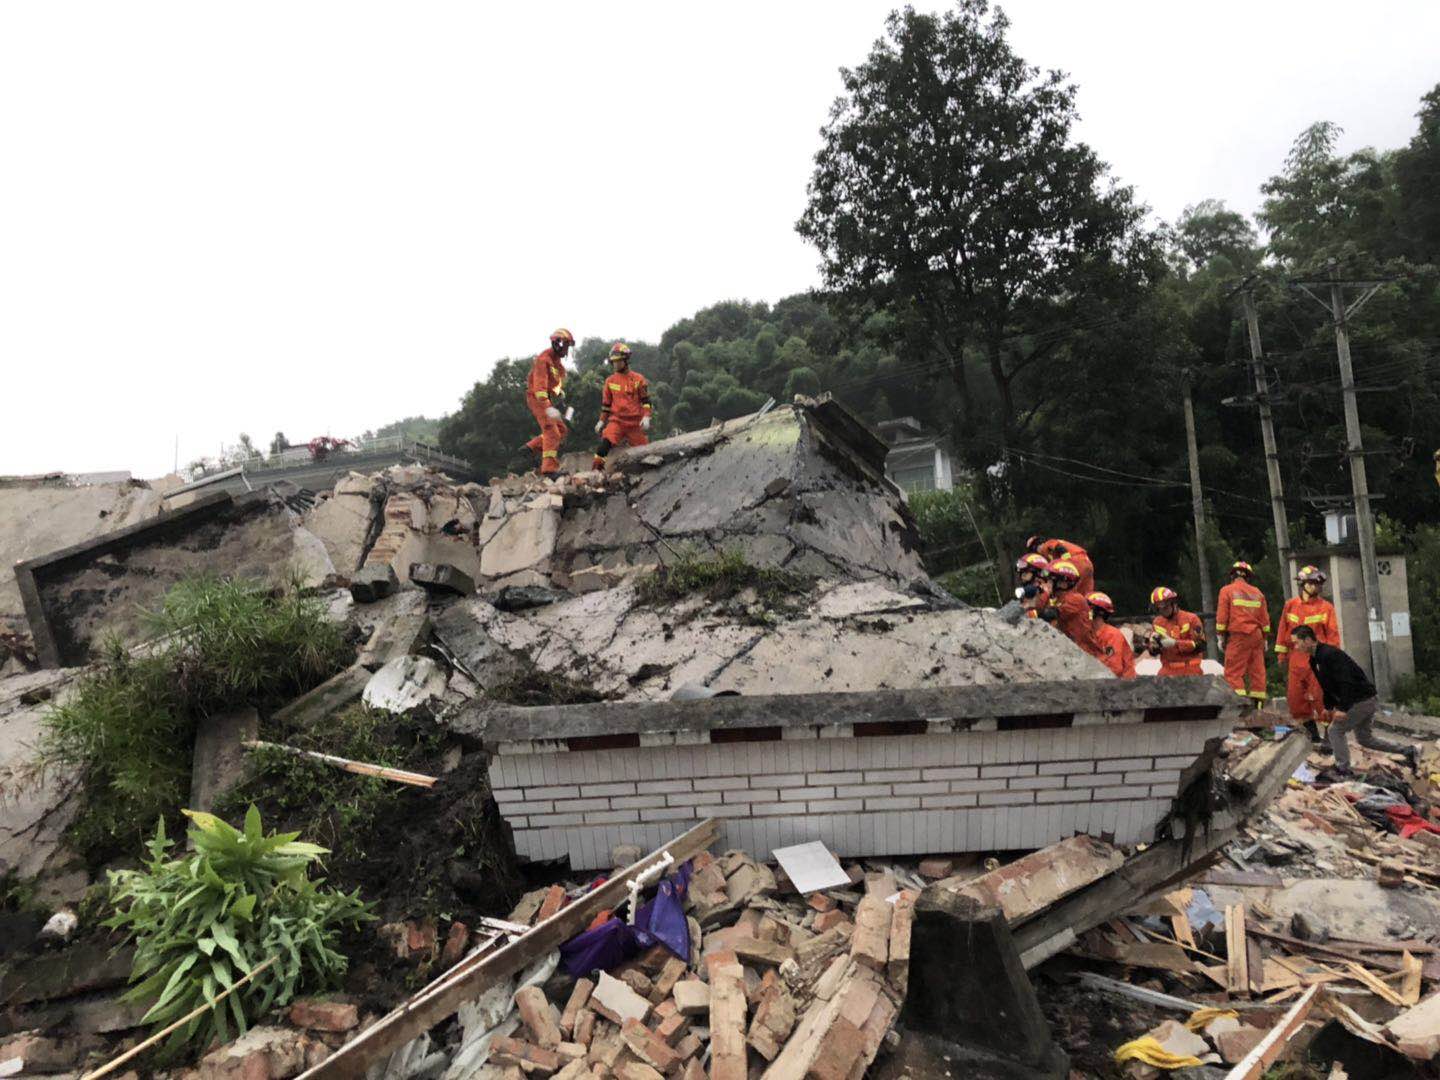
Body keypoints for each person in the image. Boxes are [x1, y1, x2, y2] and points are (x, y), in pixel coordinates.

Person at [1289, 626, 1416, 774]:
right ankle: (1408, 751)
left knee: (1335, 731)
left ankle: (1343, 769)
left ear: (1309, 640)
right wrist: (1328, 707)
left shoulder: (1330, 655)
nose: (1296, 647)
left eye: (1297, 643)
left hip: (1362, 699)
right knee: (1365, 739)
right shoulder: (1314, 659)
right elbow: (1327, 686)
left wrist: (1342, 708)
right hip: (1360, 699)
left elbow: (1346, 682)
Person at [1274, 565, 1340, 742]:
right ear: (1303, 584)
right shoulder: (1290, 606)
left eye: (1318, 583)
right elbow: (1282, 631)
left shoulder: (1326, 608)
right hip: (1295, 660)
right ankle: (1312, 735)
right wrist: (1281, 655)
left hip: (1317, 660)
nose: (1317, 587)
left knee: (1321, 699)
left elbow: (1333, 635)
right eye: (1312, 583)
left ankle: (1329, 737)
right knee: (1296, 700)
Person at [1216, 560, 1270, 706]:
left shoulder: (1226, 591)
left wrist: (1220, 635)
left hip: (1238, 635)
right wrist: (1264, 639)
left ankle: (1237, 706)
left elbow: (1222, 616)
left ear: (1232, 576)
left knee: (1233, 672)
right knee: (1257, 671)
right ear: (1248, 577)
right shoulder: (1258, 593)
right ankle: (1258, 707)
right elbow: (1265, 620)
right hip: (1257, 636)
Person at [592, 343, 653, 470]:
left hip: (635, 423)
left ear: (626, 360)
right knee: (604, 445)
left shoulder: (638, 379)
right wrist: (601, 421)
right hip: (617, 422)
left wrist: (646, 417)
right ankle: (595, 472)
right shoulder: (610, 381)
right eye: (613, 362)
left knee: (645, 453)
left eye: (618, 361)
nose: (615, 364)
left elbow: (646, 401)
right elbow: (606, 406)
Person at [525, 328, 574, 475]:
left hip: (547, 400)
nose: (567, 350)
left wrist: (560, 398)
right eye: (565, 346)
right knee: (552, 432)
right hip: (537, 399)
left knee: (562, 430)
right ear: (557, 344)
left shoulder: (557, 363)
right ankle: (549, 469)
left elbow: (555, 385)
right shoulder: (543, 360)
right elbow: (540, 389)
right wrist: (548, 407)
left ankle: (531, 447)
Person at [1039, 559, 1096, 654]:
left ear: (1063, 583)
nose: (1047, 584)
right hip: (1069, 649)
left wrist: (1045, 593)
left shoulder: (1075, 599)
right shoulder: (1057, 599)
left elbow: (1051, 614)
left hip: (1082, 652)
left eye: (1050, 581)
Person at [1147, 586, 1205, 677]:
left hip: (1190, 669)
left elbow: (1201, 645)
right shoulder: (1157, 622)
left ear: (1173, 603)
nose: (1162, 611)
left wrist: (1176, 643)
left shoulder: (1191, 619)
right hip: (1168, 670)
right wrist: (1154, 647)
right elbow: (1153, 652)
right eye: (1158, 609)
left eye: (1165, 607)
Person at [1086, 592, 1136, 678]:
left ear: (1100, 612)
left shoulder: (1112, 635)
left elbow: (1114, 668)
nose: (1084, 611)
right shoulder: (1088, 634)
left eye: (1088, 608)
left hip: (1122, 684)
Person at [1027, 535, 1095, 595]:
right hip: (1087, 562)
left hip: (1076, 562)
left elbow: (1060, 548)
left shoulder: (1047, 545)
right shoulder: (1053, 551)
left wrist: (1066, 563)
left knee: (1069, 590)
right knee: (1085, 594)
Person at [1014, 553, 1050, 619]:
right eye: (1021, 573)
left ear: (1037, 573)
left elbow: (1039, 606)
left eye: (1025, 573)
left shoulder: (1044, 588)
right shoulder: (1028, 588)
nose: (1022, 575)